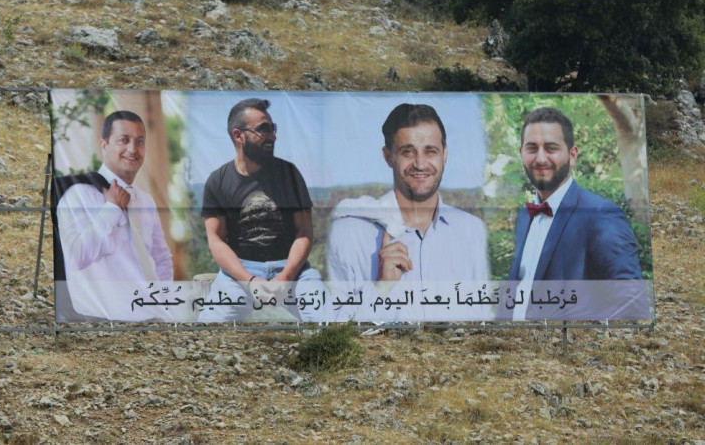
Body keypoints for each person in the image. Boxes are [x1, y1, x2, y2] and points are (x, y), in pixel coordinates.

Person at [328, 103, 489, 284]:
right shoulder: (350, 234)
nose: (420, 164)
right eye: (408, 152)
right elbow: (334, 312)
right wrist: (381, 289)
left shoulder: (473, 232)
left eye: (430, 151)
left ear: (444, 154)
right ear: (388, 156)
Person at [198, 98, 321, 321]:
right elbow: (215, 239)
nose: (272, 136)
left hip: (293, 269)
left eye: (272, 128)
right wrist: (248, 280)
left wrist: (287, 275)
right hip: (239, 273)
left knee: (328, 321)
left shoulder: (289, 173)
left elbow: (304, 231)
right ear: (238, 136)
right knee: (206, 329)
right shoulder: (218, 181)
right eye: (263, 129)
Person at [54, 110, 174, 321]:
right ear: (104, 145)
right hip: (100, 321)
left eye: (140, 141)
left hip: (150, 317)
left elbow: (161, 258)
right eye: (123, 140)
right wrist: (111, 209)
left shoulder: (145, 200)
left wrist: (161, 301)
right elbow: (76, 257)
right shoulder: (79, 194)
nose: (132, 149)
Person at [508, 107, 642, 285]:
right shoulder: (524, 216)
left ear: (572, 156)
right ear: (521, 153)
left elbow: (629, 299)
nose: (540, 159)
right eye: (532, 148)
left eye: (551, 148)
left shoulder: (602, 215)